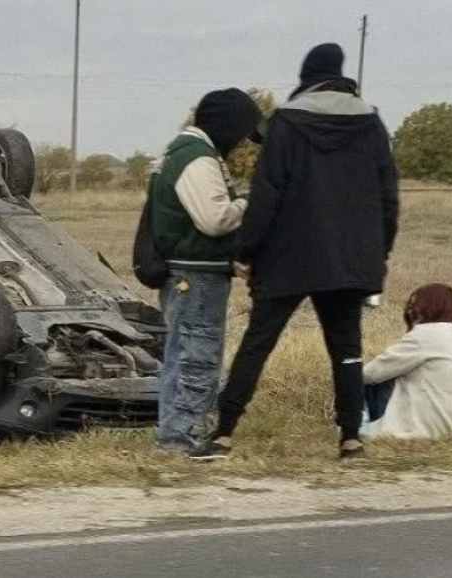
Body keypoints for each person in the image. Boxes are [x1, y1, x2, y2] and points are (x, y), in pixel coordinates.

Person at [213, 43, 400, 459]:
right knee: (347, 348)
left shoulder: (285, 121)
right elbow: (388, 196)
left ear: (306, 75)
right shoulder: (372, 123)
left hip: (288, 255)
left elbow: (268, 192)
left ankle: (223, 432)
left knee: (258, 342)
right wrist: (379, 253)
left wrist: (246, 249)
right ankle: (351, 437)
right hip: (350, 257)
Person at [151, 88, 263, 460]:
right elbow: (214, 220)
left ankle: (172, 433)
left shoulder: (184, 151)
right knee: (197, 357)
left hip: (188, 276)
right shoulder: (196, 158)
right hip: (195, 279)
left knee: (180, 354)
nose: (242, 142)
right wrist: (250, 202)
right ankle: (180, 439)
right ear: (228, 125)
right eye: (243, 133)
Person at [361, 283, 452, 442]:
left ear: (424, 309)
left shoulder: (424, 335)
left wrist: (345, 373)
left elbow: (370, 373)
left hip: (428, 429)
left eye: (413, 306)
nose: (410, 312)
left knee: (367, 378)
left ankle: (358, 427)